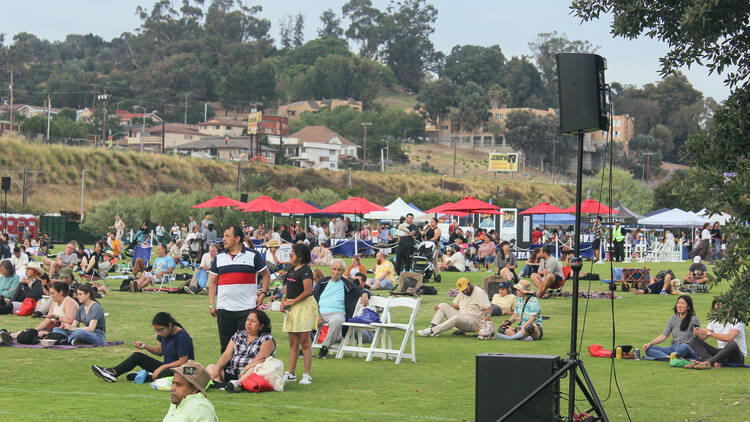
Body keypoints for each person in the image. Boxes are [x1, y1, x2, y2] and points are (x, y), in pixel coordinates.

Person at [208, 225, 270, 354]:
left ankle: (245, 374)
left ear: (237, 239)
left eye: (227, 236)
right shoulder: (219, 257)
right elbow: (213, 281)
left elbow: (266, 274)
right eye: (223, 236)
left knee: (247, 347)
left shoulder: (253, 255)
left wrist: (263, 293)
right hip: (224, 310)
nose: (223, 239)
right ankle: (226, 374)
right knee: (226, 348)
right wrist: (212, 304)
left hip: (247, 310)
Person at [92, 312, 194, 383]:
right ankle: (112, 373)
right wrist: (145, 346)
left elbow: (183, 361)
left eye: (160, 330)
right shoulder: (164, 334)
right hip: (167, 367)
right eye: (156, 331)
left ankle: (146, 376)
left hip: (183, 370)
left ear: (170, 325)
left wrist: (162, 367)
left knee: (163, 375)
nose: (159, 333)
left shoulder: (182, 336)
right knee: (137, 356)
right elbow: (159, 351)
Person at [312, 259, 370, 359]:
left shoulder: (346, 284)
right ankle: (305, 347)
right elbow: (313, 299)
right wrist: (317, 314)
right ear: (330, 270)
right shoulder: (323, 282)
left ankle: (324, 348)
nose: (336, 272)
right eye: (334, 269)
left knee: (338, 320)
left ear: (343, 271)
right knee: (301, 317)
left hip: (336, 314)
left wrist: (365, 294)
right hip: (319, 313)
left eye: (339, 270)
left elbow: (359, 291)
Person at [206, 309, 276, 392]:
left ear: (261, 326)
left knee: (254, 368)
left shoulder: (266, 339)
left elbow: (261, 358)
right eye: (247, 320)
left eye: (253, 321)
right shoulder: (238, 335)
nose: (248, 323)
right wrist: (216, 370)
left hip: (251, 373)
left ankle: (236, 384)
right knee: (211, 367)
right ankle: (221, 383)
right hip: (232, 372)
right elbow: (227, 354)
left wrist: (245, 370)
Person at [280, 243, 318, 385]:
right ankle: (291, 373)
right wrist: (283, 302)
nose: (290, 255)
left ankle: (307, 374)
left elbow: (308, 291)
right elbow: (286, 289)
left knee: (305, 342)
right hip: (292, 308)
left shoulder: (306, 271)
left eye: (293, 253)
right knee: (293, 342)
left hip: (304, 308)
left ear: (300, 257)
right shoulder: (290, 271)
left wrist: (292, 302)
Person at [417, 278, 491, 337]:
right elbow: (454, 306)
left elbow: (488, 308)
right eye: (462, 290)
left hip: (474, 321)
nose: (464, 291)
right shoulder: (462, 293)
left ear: (469, 284)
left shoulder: (479, 292)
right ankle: (433, 326)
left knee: (456, 318)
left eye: (466, 289)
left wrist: (486, 324)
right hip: (462, 316)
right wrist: (441, 310)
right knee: (442, 305)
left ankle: (431, 331)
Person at [686, 299, 747, 369]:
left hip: (736, 355)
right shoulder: (714, 320)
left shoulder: (736, 320)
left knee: (732, 344)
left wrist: (709, 333)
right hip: (720, 353)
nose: (718, 312)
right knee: (694, 341)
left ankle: (708, 362)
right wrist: (697, 332)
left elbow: (729, 338)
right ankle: (711, 362)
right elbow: (703, 337)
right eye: (716, 309)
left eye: (721, 309)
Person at [643, 295, 699, 361]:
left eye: (683, 303)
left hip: (688, 347)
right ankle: (669, 358)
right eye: (678, 303)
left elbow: (698, 338)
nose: (679, 305)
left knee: (683, 347)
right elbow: (663, 336)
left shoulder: (694, 319)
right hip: (674, 347)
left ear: (688, 307)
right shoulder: (673, 318)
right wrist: (650, 343)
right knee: (649, 349)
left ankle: (670, 357)